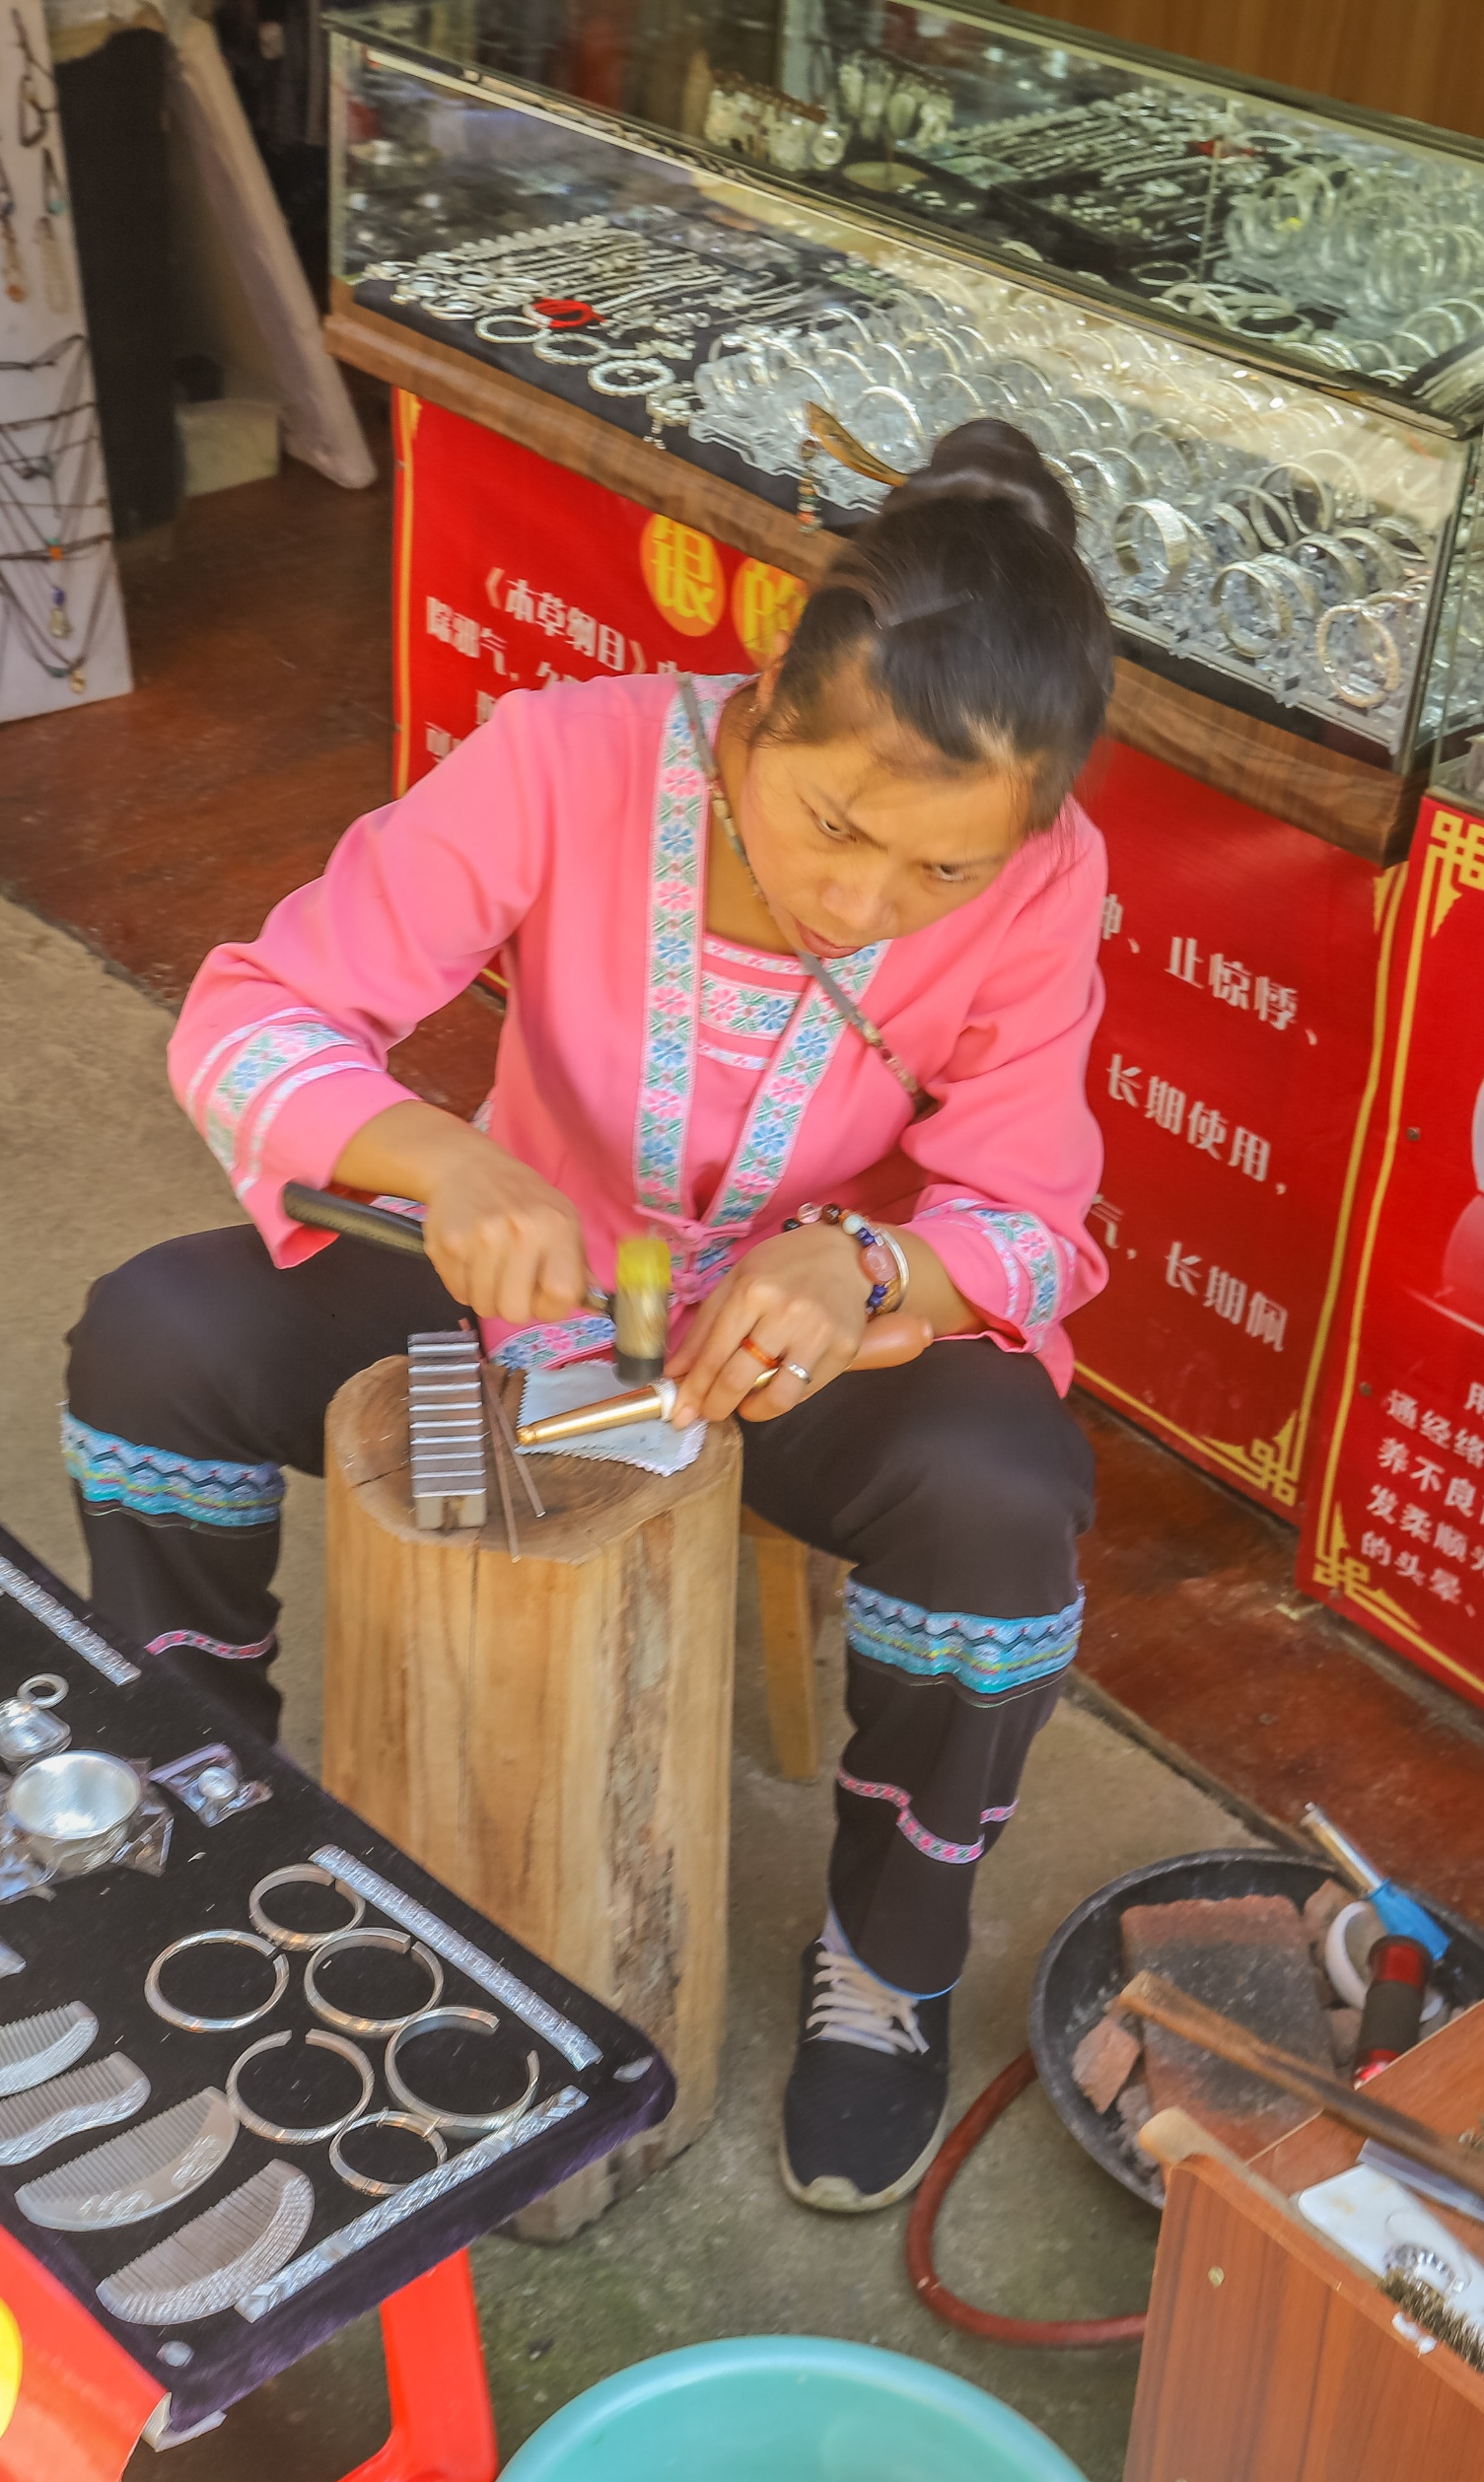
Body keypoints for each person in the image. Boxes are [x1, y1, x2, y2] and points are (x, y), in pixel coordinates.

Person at [61, 420, 1120, 2211]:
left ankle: (889, 1954)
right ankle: (203, 1807)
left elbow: (1027, 1209)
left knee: (1002, 1499)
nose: (864, 899)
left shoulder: (1045, 874)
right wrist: (438, 1161)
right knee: (155, 1339)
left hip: (769, 1354)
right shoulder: (569, 758)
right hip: (515, 1283)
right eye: (834, 824)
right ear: (764, 703)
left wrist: (866, 1268)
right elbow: (252, 1018)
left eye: (939, 873)